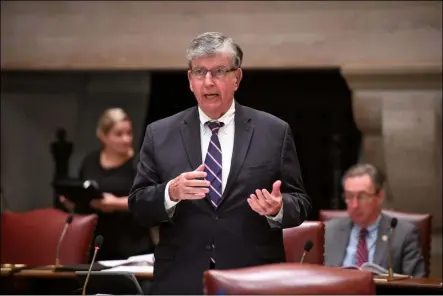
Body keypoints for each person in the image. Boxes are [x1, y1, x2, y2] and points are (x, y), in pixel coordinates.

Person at [128, 32, 311, 294]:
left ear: (237, 78)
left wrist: (278, 208)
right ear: (190, 80)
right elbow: (138, 206)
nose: (208, 81)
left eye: (219, 71)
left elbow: (301, 202)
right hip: (181, 279)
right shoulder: (160, 134)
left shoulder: (274, 131)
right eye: (200, 72)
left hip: (252, 278)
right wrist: (170, 192)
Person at [59, 108, 154, 261]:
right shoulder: (90, 161)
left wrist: (116, 203)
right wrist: (75, 203)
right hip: (96, 243)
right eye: (119, 134)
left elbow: (150, 200)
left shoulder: (141, 163)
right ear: (103, 135)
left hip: (132, 245)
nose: (126, 139)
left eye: (129, 133)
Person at [324, 163, 425, 277]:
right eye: (349, 196)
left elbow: (417, 284)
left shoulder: (403, 234)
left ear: (379, 197)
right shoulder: (328, 231)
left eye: (362, 196)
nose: (355, 204)